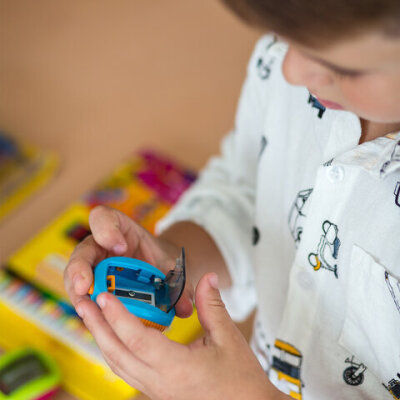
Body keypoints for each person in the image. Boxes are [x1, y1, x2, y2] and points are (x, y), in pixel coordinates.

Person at [64, 1, 400, 399]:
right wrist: (171, 258)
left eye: (344, 66)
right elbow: (246, 194)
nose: (291, 70)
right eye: (285, 36)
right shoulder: (288, 62)